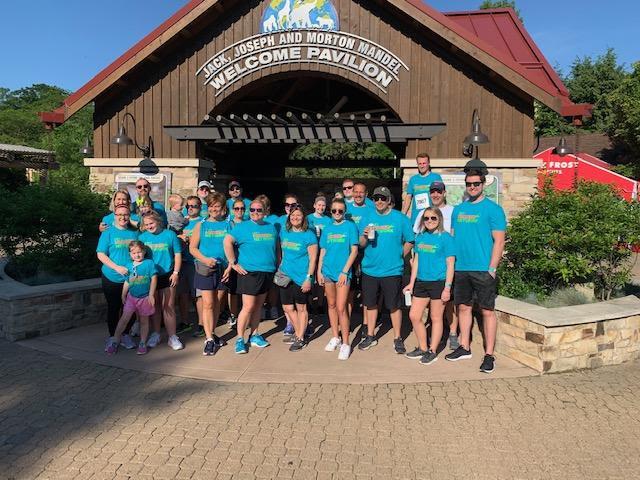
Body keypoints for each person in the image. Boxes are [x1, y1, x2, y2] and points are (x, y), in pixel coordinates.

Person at [445, 168, 506, 374]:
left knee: (487, 311)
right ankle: (465, 347)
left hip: (483, 269)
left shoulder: (493, 209)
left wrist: (492, 268)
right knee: (463, 308)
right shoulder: (458, 210)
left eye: (476, 184)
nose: (472, 187)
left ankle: (489, 355)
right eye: (469, 184)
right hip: (461, 268)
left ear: (483, 184)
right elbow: (453, 237)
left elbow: (499, 241)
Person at [359, 186, 414, 353]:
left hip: (392, 270)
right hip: (370, 269)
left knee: (394, 306)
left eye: (383, 198)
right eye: (376, 198)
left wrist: (399, 254)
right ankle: (370, 336)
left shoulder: (400, 218)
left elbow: (410, 240)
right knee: (370, 304)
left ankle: (397, 338)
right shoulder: (367, 217)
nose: (379, 201)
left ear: (389, 200)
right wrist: (364, 235)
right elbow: (361, 244)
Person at [223, 199, 278, 354]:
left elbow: (276, 248)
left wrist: (277, 264)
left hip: (267, 271)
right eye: (252, 210)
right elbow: (227, 242)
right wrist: (233, 263)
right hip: (249, 272)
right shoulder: (242, 227)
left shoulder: (271, 227)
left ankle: (254, 335)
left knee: (258, 306)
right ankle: (240, 339)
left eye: (259, 210)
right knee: (248, 307)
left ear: (265, 211)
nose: (255, 213)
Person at [403, 207, 455, 365]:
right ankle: (423, 347)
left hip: (438, 282)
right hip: (421, 282)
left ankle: (432, 351)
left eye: (433, 218)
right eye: (426, 218)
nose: (430, 221)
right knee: (414, 315)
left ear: (439, 219)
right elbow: (416, 261)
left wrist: (447, 288)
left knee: (436, 317)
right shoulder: (420, 237)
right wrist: (411, 283)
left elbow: (450, 264)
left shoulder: (446, 238)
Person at [190, 192, 232, 356]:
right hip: (206, 268)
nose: (214, 209)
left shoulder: (229, 225)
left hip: (224, 269)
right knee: (207, 303)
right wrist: (205, 260)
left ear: (223, 208)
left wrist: (230, 266)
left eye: (217, 206)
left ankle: (212, 333)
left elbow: (234, 247)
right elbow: (193, 248)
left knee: (217, 303)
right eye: (211, 206)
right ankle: (208, 339)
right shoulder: (201, 225)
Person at [317, 198, 359, 360]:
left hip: (342, 273)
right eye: (334, 210)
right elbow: (323, 251)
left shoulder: (350, 227)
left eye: (340, 211)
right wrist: (319, 271)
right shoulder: (327, 228)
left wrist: (344, 271)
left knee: (341, 308)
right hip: (327, 271)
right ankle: (335, 337)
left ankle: (346, 343)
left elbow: (354, 251)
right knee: (331, 305)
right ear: (330, 211)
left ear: (344, 211)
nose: (337, 213)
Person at [96, 205, 139, 351]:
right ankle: (113, 337)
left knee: (131, 308)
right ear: (114, 216)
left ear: (129, 216)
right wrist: (116, 267)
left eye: (125, 214)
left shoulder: (134, 233)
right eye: (119, 214)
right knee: (114, 308)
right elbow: (101, 254)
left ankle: (125, 334)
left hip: (131, 278)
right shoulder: (108, 233)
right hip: (111, 276)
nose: (123, 217)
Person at [139, 211, 183, 350]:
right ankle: (156, 334)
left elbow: (177, 254)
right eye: (146, 224)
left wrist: (176, 272)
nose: (149, 226)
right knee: (155, 306)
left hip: (168, 274)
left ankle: (172, 337)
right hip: (150, 276)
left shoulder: (170, 235)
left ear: (158, 221)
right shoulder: (142, 237)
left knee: (168, 306)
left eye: (151, 223)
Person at [277, 206, 318, 352]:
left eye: (299, 215)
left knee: (301, 308)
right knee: (288, 308)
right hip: (285, 275)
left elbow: (313, 259)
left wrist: (309, 278)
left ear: (303, 218)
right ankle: (300, 330)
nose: (295, 217)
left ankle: (300, 337)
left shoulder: (309, 235)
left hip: (301, 277)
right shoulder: (285, 232)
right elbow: (281, 251)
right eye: (293, 215)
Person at [105, 241, 157, 355]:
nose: (137, 255)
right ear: (130, 254)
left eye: (139, 252)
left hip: (145, 298)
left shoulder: (149, 263)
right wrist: (123, 294)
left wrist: (151, 295)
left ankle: (142, 343)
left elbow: (154, 279)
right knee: (124, 319)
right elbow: (127, 282)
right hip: (131, 298)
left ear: (144, 251)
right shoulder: (128, 266)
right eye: (134, 253)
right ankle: (115, 340)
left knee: (144, 321)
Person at [176, 196, 205, 336]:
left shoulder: (203, 222)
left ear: (200, 207)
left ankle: (202, 324)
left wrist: (190, 239)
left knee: (198, 295)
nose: (191, 208)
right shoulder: (182, 221)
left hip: (196, 262)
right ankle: (185, 322)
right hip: (183, 262)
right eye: (188, 206)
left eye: (194, 206)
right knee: (183, 294)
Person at [402, 153, 443, 226]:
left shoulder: (436, 177)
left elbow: (441, 196)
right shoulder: (413, 179)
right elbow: (408, 197)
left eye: (424, 163)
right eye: (420, 163)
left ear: (428, 163)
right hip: (416, 219)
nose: (422, 166)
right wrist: (402, 215)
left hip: (432, 218)